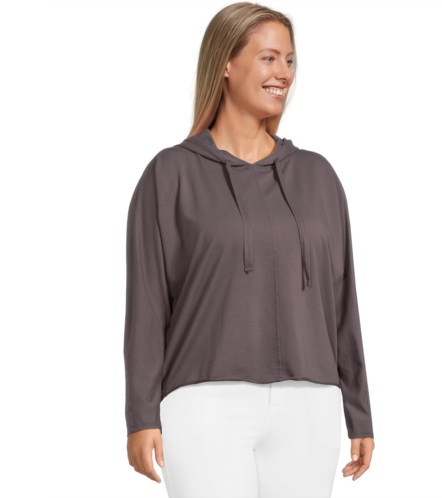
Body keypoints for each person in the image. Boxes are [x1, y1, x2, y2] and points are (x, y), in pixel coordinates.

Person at [124, 2, 375, 496]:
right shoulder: (171, 174)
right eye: (268, 58)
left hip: (310, 402)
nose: (284, 73)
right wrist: (141, 414)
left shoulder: (317, 176)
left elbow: (342, 300)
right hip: (204, 402)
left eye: (290, 60)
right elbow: (148, 304)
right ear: (225, 63)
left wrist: (359, 411)